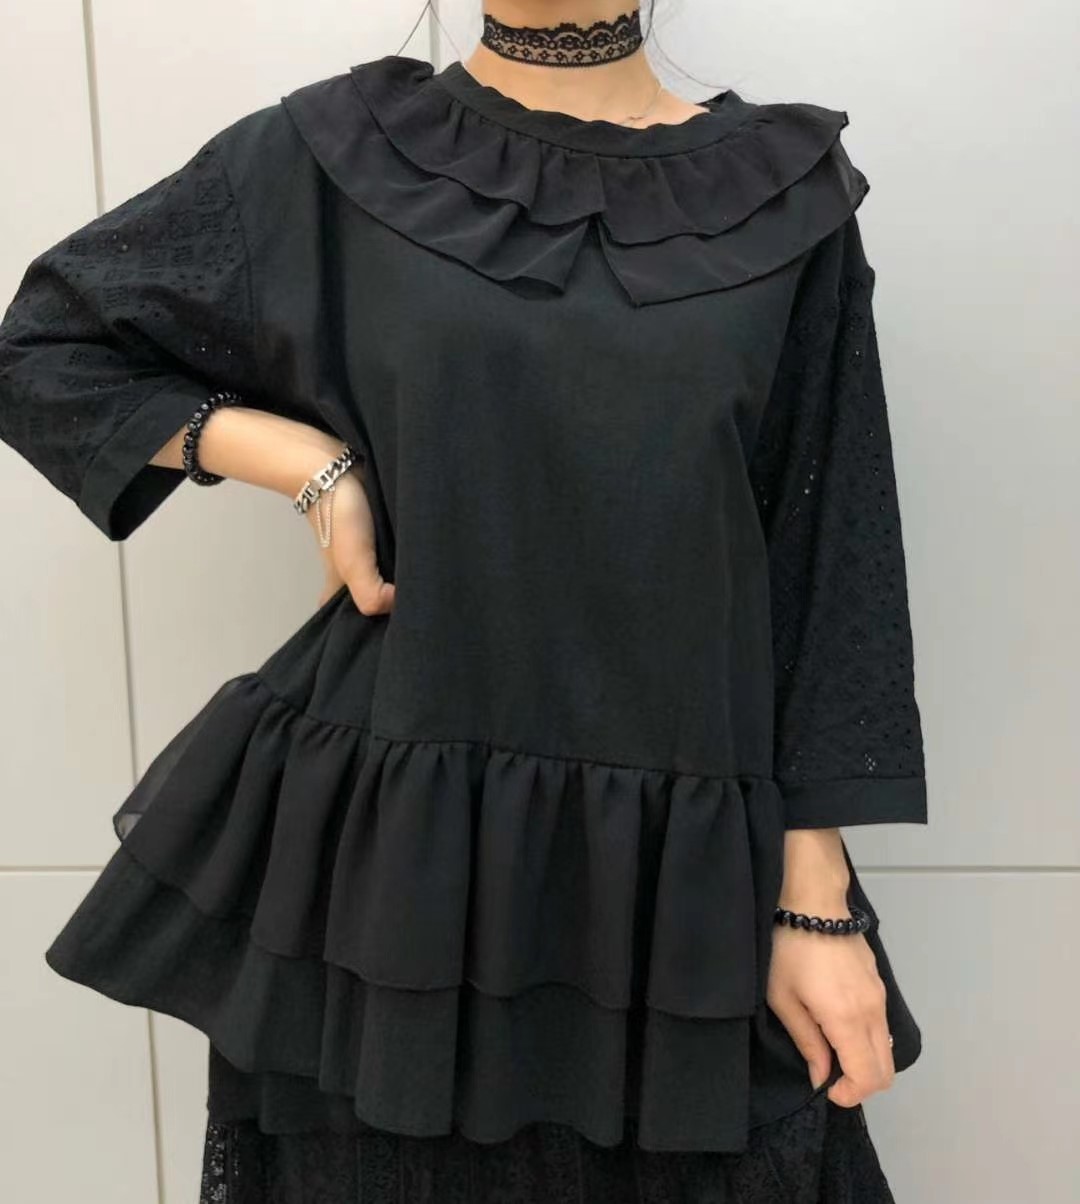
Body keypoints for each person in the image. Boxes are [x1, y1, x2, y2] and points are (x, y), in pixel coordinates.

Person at [0, 3, 929, 1200]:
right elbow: (46, 348)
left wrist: (817, 904)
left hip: (686, 886)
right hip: (398, 876)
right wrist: (305, 463)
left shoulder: (785, 198)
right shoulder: (333, 155)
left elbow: (831, 559)